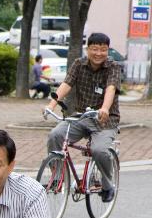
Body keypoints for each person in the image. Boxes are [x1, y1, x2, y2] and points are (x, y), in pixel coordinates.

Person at [45, 32, 120, 202]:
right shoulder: (79, 64)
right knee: (55, 135)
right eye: (95, 49)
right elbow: (66, 84)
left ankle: (108, 185)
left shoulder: (113, 66)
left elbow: (111, 88)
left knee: (99, 150)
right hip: (82, 116)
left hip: (105, 121)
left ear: (107, 50)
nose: (98, 53)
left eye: (103, 49)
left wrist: (105, 109)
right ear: (88, 49)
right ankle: (57, 177)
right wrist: (52, 105)